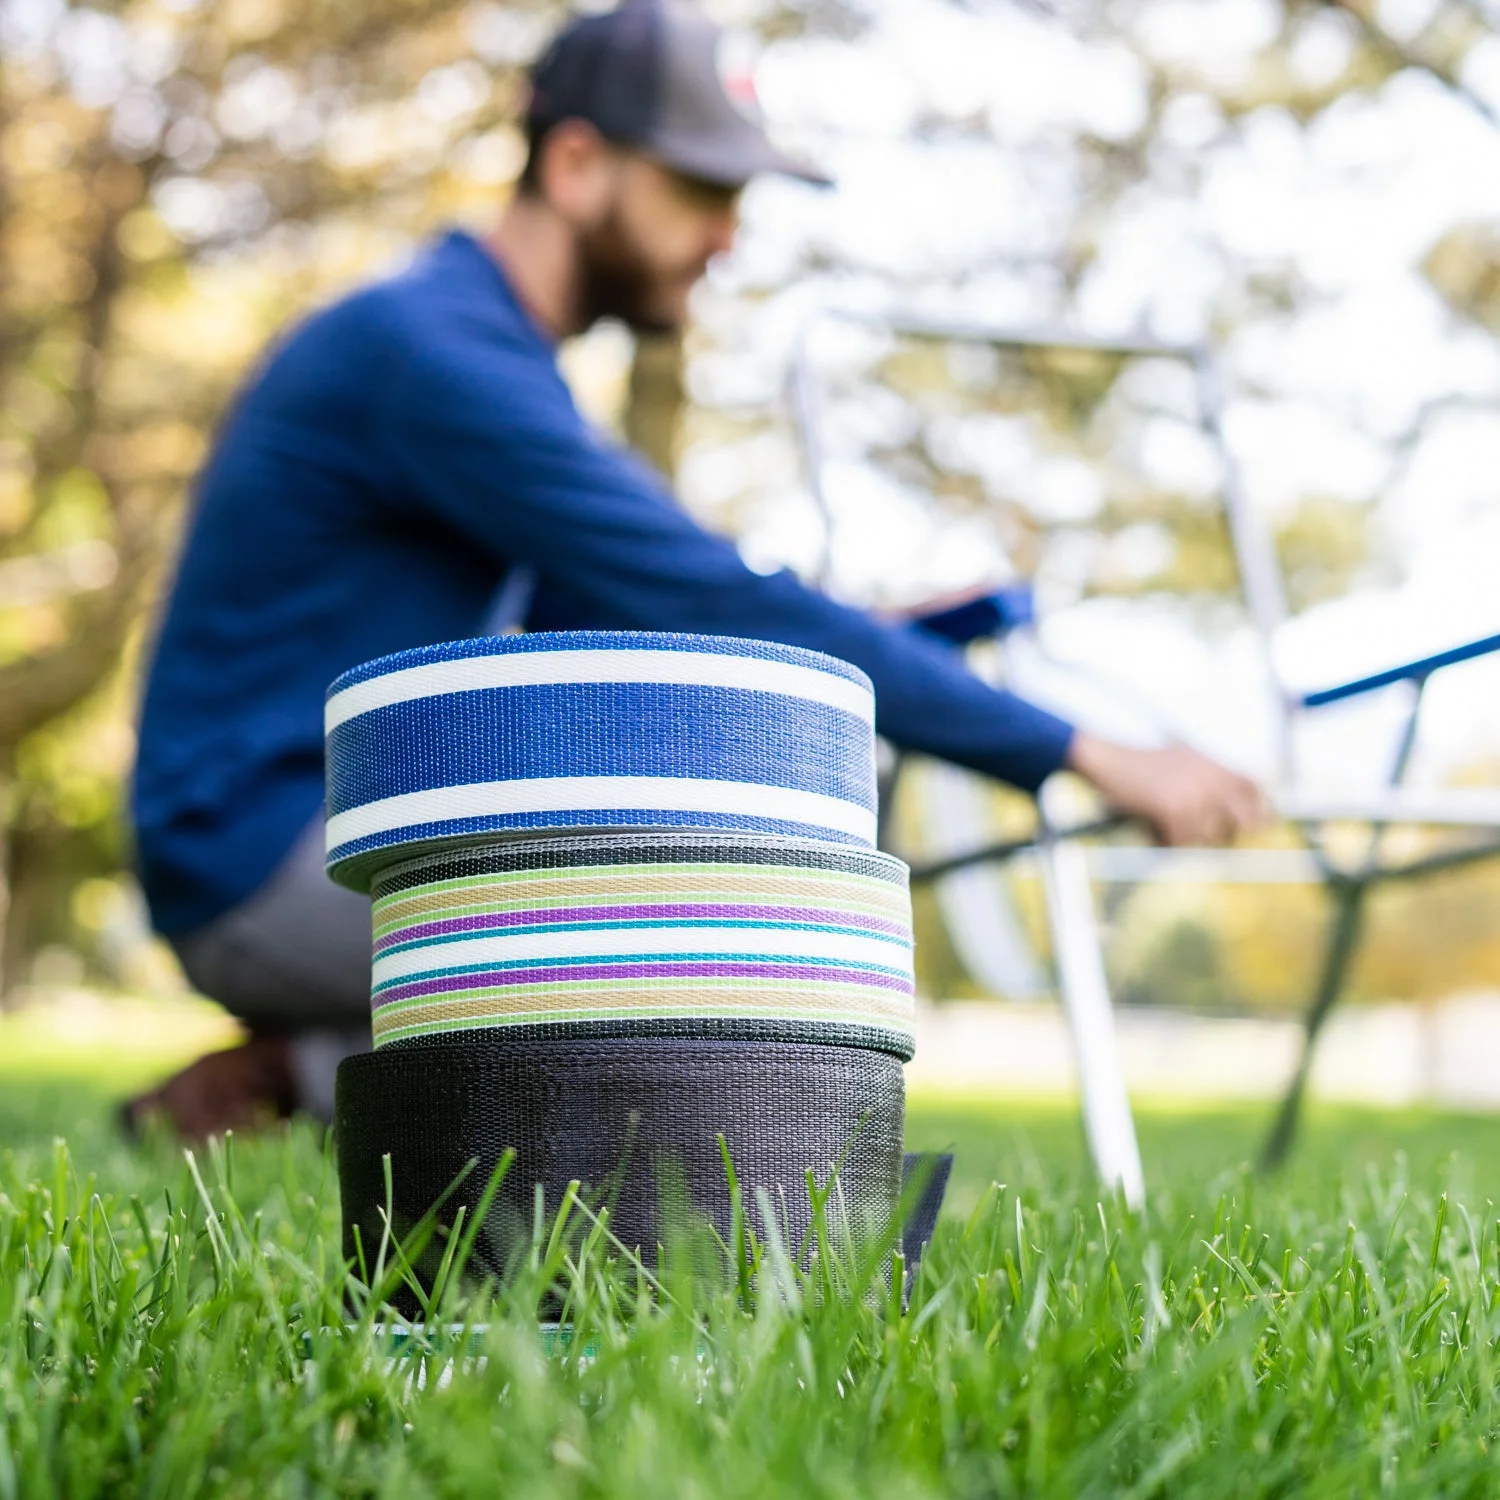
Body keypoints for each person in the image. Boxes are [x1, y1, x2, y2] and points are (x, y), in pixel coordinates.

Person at [126, 0, 1265, 1138]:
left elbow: (649, 622)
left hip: (321, 834)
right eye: (703, 190)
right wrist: (1084, 749)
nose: (730, 236)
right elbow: (707, 597)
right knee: (710, 932)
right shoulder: (435, 359)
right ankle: (326, 1064)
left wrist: (867, 642)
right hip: (259, 852)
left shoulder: (475, 357)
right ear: (577, 164)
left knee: (694, 907)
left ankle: (287, 1069)